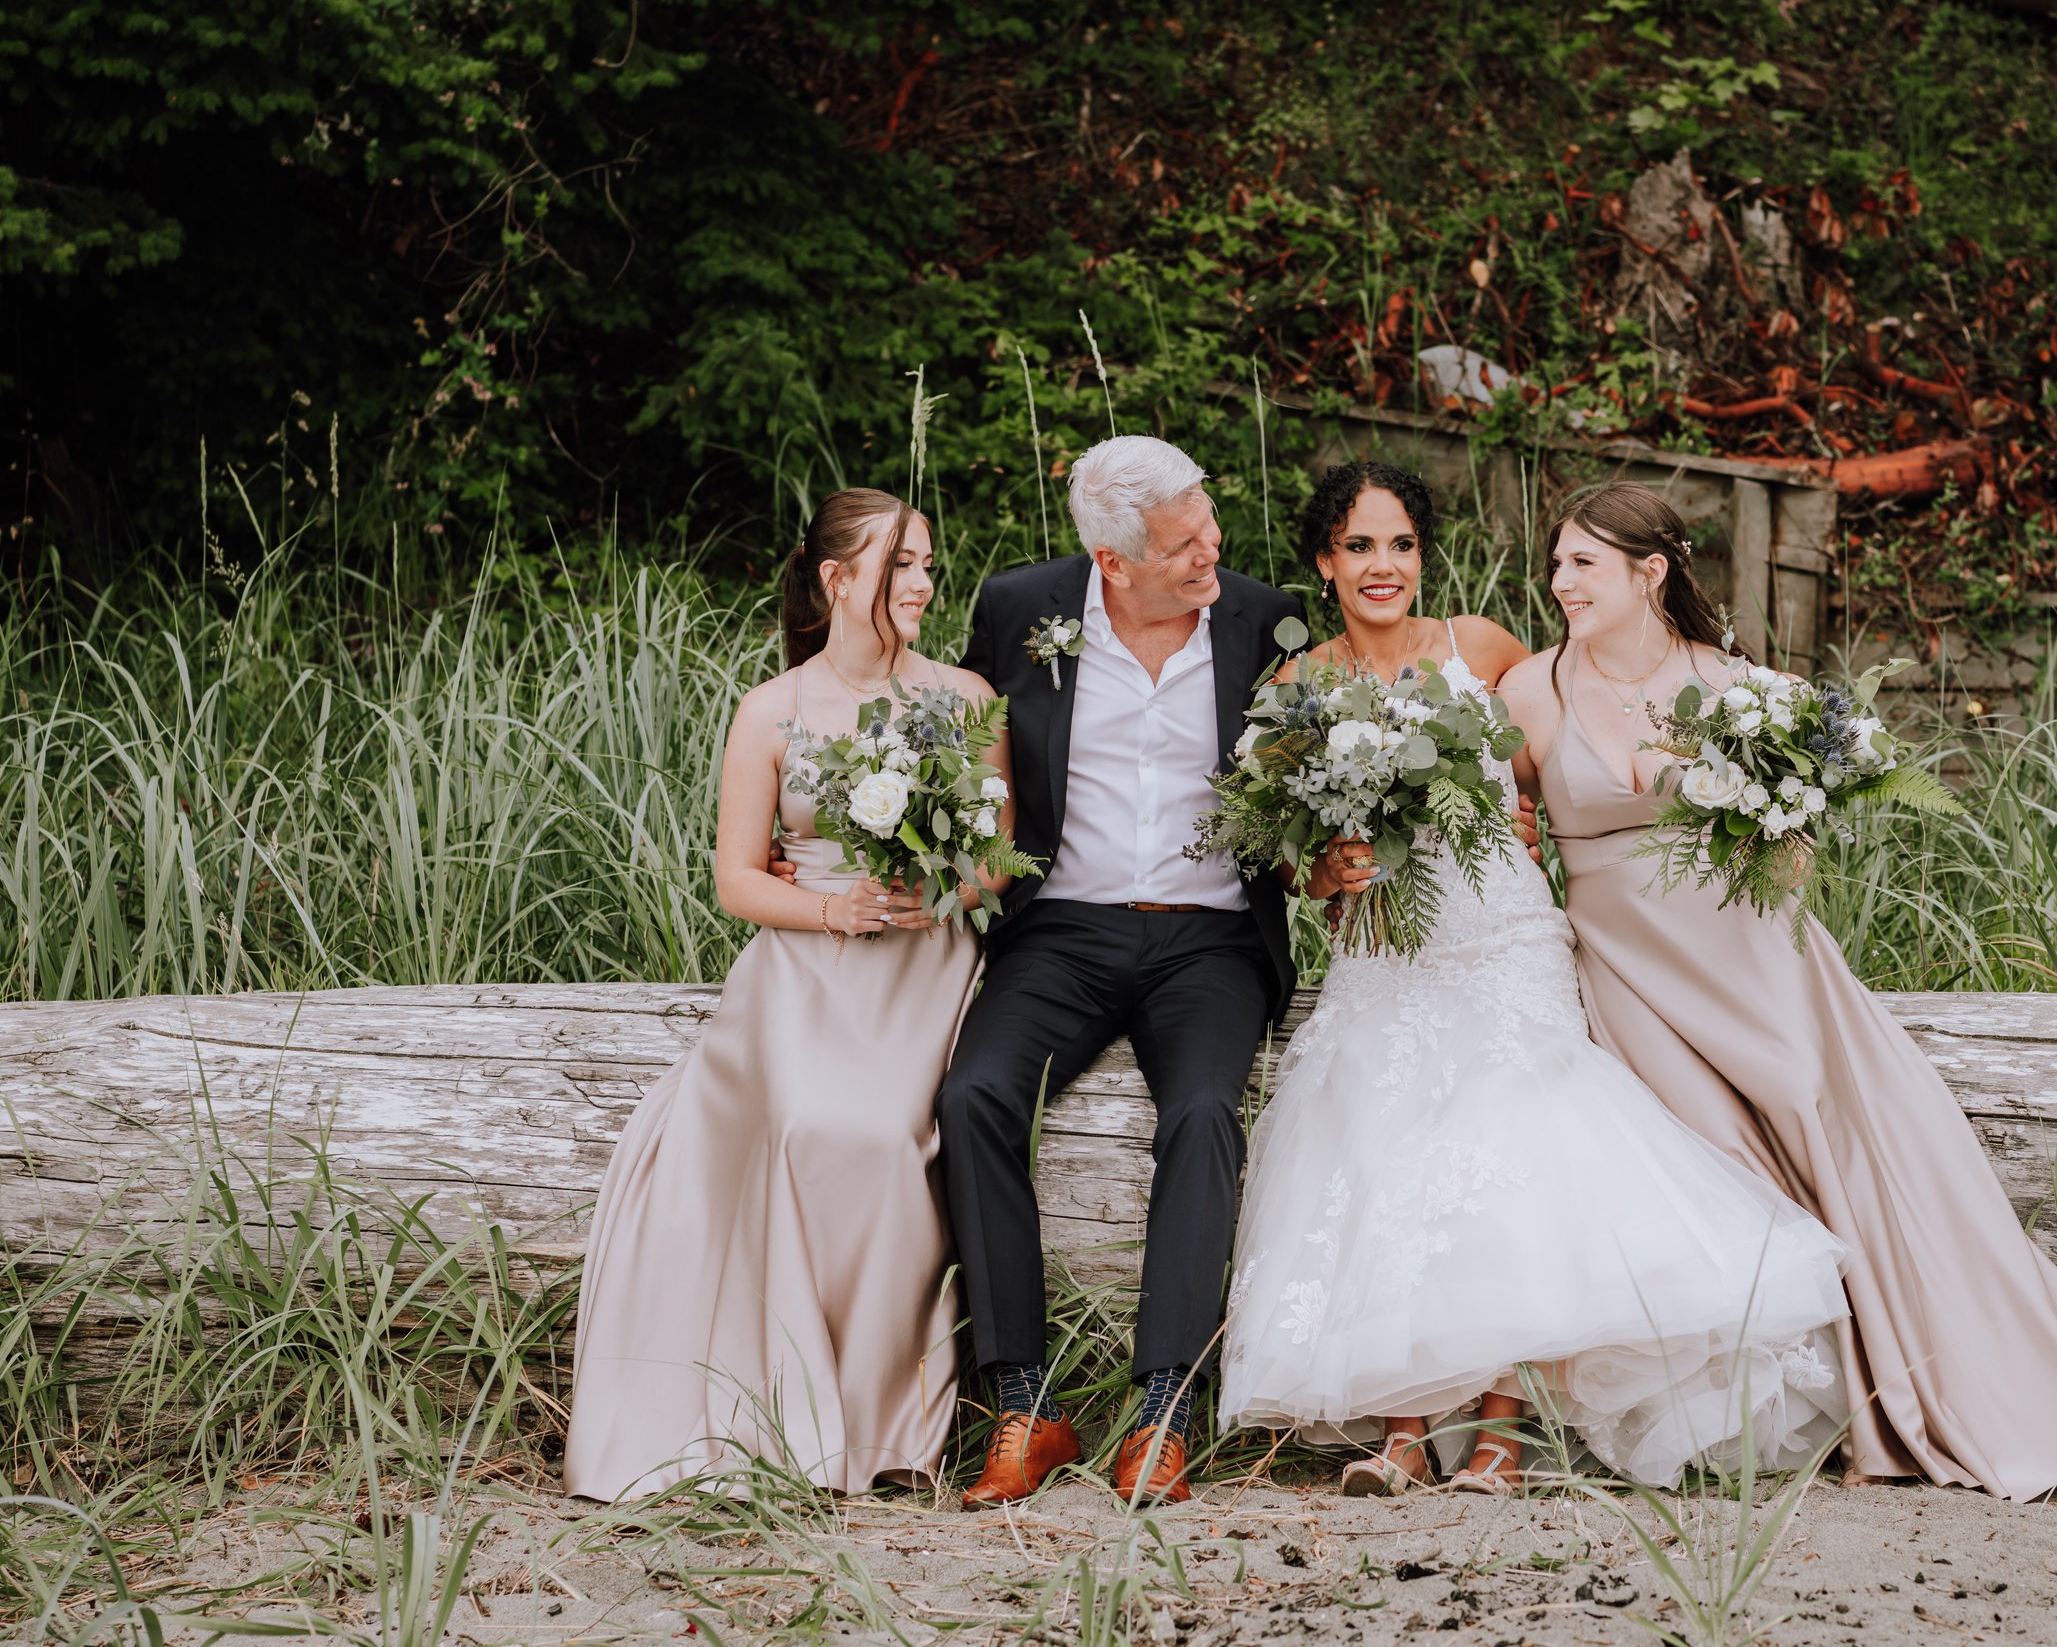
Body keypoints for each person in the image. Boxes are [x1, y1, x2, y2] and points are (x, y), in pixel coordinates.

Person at [1219, 462, 1855, 1495]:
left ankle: (1507, 1433)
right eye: (1358, 546)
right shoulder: (1296, 688)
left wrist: (1534, 819)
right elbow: (1285, 850)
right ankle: (1405, 1429)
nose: (1383, 566)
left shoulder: (1485, 651)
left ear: (1422, 554)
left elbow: (1557, 771)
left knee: (1519, 1159)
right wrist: (1323, 867)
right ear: (1324, 563)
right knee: (1382, 1157)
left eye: (1401, 544)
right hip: (1384, 952)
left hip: (1501, 936)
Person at [1499, 483, 2057, 1503]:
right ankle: (1741, 1405)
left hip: (1751, 958)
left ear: (1649, 573)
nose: (1559, 580)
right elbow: (1491, 835)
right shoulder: (1530, 690)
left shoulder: (1740, 686)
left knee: (1810, 1114)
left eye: (1583, 564)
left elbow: (1796, 834)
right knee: (1699, 1146)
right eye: (1558, 561)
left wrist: (1785, 823)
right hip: (1625, 970)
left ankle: (1909, 1379)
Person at [564, 489, 1003, 1501]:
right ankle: (791, 1417)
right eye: (900, 565)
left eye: (929, 563)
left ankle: (882, 1425)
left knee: (891, 1141)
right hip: (806, 965)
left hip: (924, 961)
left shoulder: (967, 696)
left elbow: (996, 866)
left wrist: (934, 880)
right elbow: (735, 880)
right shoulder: (771, 709)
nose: (923, 584)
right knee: (805, 1124)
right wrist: (832, 911)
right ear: (837, 579)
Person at [936, 434, 1303, 1509]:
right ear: (1112, 561)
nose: (1213, 553)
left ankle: (1163, 1409)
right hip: (1062, 928)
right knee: (973, 1093)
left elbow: (1300, 781)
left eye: (1211, 527)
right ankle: (1024, 1398)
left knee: (1200, 1110)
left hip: (1211, 936)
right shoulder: (1019, 610)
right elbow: (971, 757)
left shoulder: (1264, 619)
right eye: (1187, 544)